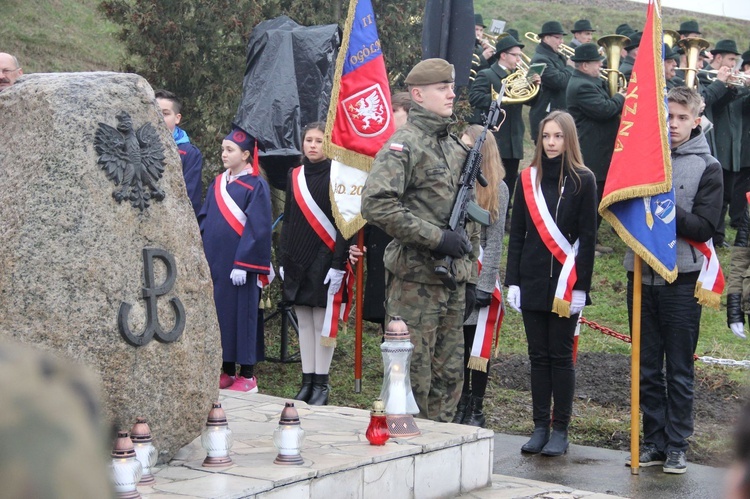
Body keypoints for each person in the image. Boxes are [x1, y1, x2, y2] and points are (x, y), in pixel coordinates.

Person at [361, 58, 480, 423]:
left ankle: (439, 453)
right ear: (417, 94)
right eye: (441, 87)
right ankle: (407, 454)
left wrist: (470, 275)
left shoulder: (456, 148)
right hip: (415, 282)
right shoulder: (404, 145)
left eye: (451, 85)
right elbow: (375, 203)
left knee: (448, 379)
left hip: (453, 283)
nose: (450, 93)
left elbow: (470, 217)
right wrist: (435, 239)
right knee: (411, 379)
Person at [625, 87, 722, 474]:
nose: (674, 124)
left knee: (678, 368)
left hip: (683, 279)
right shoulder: (643, 160)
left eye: (683, 117)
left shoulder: (708, 166)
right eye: (669, 117)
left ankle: (678, 443)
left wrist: (664, 204)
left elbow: (704, 226)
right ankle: (654, 440)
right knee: (647, 366)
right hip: (642, 275)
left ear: (697, 120)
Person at [505, 110, 597, 456]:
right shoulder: (527, 178)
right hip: (531, 281)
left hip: (565, 284)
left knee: (560, 358)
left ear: (568, 139)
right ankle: (540, 426)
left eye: (558, 136)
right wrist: (512, 280)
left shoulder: (583, 180)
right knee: (537, 357)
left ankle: (561, 429)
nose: (551, 143)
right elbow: (517, 234)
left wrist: (581, 288)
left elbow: (588, 237)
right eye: (546, 136)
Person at [280, 122, 350, 406]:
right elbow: (288, 216)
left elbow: (344, 222)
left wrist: (339, 264)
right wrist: (282, 257)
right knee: (304, 322)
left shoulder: (338, 174)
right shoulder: (294, 174)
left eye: (319, 141)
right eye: (308, 140)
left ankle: (321, 383)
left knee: (322, 323)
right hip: (296, 255)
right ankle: (307, 379)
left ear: (328, 144)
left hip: (325, 256)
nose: (312, 145)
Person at [198, 128, 272, 392]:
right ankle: (227, 369)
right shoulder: (218, 182)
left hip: (241, 265)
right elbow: (205, 219)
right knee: (221, 315)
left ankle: (248, 374)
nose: (224, 154)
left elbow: (259, 228)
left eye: (230, 150)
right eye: (222, 149)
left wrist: (244, 263)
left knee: (243, 315)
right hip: (217, 263)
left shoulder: (256, 185)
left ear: (245, 154)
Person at [452, 125, 508, 428]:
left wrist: (486, 284)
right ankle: (459, 402)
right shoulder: (455, 181)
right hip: (456, 276)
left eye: (469, 147)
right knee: (458, 347)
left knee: (477, 349)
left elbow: (495, 240)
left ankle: (476, 406)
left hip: (481, 276)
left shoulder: (497, 186)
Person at [348, 93, 410, 333]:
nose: (388, 117)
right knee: (388, 321)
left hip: (409, 242)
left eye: (394, 112)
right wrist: (356, 239)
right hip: (379, 241)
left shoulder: (419, 147)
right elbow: (363, 197)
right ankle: (390, 369)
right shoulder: (375, 149)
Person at [469, 35, 540, 227]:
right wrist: (500, 100)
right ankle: (486, 210)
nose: (518, 59)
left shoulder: (518, 76)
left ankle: (505, 215)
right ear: (502, 55)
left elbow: (530, 101)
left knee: (510, 176)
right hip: (495, 133)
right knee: (490, 175)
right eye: (515, 55)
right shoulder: (487, 74)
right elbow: (474, 97)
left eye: (519, 55)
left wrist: (535, 86)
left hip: (514, 133)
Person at [565, 43, 626, 254]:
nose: (601, 65)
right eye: (596, 63)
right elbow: (604, 109)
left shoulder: (589, 82)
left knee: (597, 197)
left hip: (598, 148)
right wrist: (621, 96)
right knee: (590, 199)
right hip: (590, 149)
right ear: (584, 66)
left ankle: (590, 239)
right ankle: (581, 242)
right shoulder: (582, 86)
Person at [697, 40, 745, 247]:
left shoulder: (724, 79)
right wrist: (721, 83)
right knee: (714, 195)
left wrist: (732, 87)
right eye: (731, 59)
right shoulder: (703, 77)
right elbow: (707, 103)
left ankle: (718, 235)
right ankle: (713, 235)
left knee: (725, 194)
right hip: (712, 142)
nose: (735, 64)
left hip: (730, 146)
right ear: (718, 58)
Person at [155, 89, 204, 217]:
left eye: (165, 113)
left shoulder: (188, 153)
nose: (159, 117)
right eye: (155, 112)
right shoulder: (138, 145)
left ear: (177, 118)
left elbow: (190, 196)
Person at [528, 21, 574, 142]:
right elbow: (559, 82)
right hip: (546, 116)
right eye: (558, 38)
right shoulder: (540, 59)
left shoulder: (557, 56)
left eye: (562, 38)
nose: (561, 42)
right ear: (546, 38)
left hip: (557, 114)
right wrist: (570, 67)